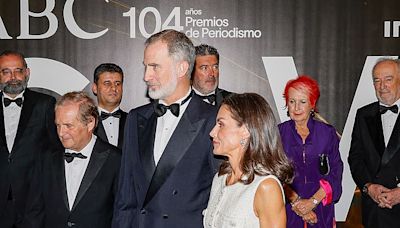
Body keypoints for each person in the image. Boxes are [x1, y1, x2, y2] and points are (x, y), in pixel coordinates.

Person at [113, 30, 219, 228]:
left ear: (181, 68)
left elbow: (223, 197)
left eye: (154, 67)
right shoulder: (137, 118)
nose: (146, 76)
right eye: (145, 67)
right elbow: (125, 194)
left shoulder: (213, 119)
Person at [204, 93, 293, 228]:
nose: (212, 132)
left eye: (221, 124)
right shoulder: (220, 179)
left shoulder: (266, 187)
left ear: (245, 131)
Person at [38, 91, 121, 228]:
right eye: (58, 125)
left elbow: (122, 213)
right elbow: (36, 210)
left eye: (68, 126)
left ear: (90, 123)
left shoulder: (116, 160)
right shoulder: (46, 158)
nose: (61, 133)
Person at [0, 50, 58, 227]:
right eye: (6, 71)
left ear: (27, 73)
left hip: (34, 200)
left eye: (18, 70)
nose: (13, 77)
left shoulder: (45, 104)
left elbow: (55, 150)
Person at [279, 75, 343, 227]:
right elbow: (272, 172)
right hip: (289, 207)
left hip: (321, 208)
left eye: (303, 102)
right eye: (292, 101)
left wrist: (313, 201)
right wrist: (298, 203)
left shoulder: (327, 133)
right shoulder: (278, 133)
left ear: (312, 104)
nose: (296, 108)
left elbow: (336, 171)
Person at [348, 58, 400, 227]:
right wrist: (369, 187)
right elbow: (355, 158)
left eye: (388, 79)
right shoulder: (363, 115)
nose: (382, 85)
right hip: (374, 210)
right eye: (377, 80)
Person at [92, 63, 127, 149]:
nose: (114, 88)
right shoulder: (86, 122)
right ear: (95, 88)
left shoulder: (133, 121)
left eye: (117, 84)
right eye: (107, 83)